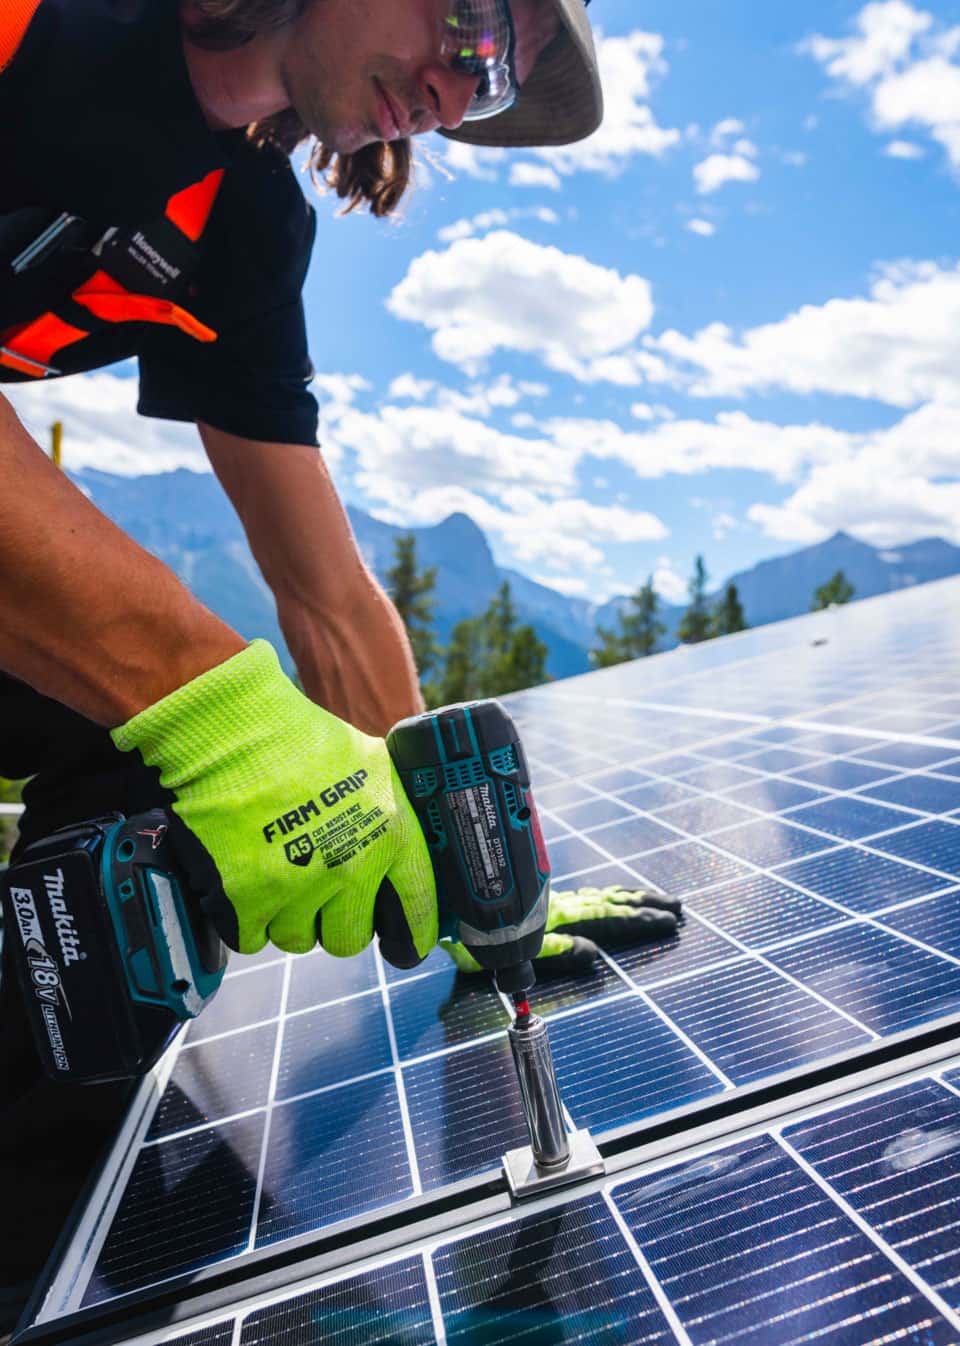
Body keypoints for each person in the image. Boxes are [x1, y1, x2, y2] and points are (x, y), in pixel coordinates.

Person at [0, 0, 679, 1330]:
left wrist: (468, 870)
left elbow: (327, 596)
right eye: (474, 17)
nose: (460, 82)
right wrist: (228, 715)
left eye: (494, 80)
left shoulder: (242, 217)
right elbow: (225, 683)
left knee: (126, 781)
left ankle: (50, 1234)